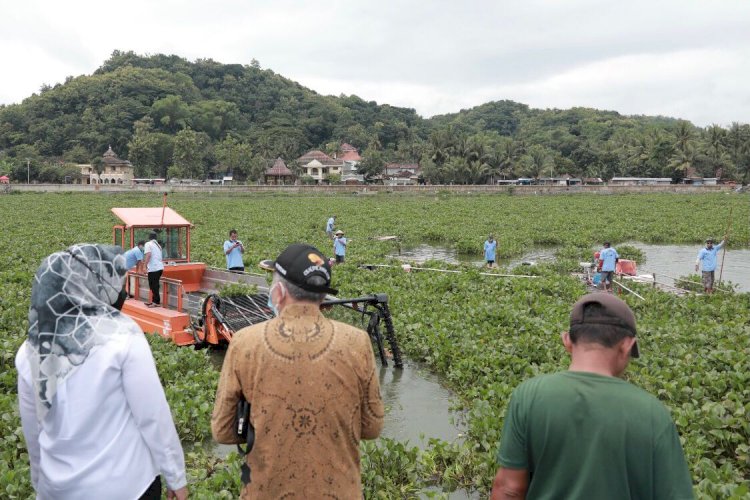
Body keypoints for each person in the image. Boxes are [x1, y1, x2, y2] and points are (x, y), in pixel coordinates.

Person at [16, 244, 187, 500]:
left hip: (59, 490)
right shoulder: (122, 334)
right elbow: (152, 416)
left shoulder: (29, 350)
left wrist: (41, 484)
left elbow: (33, 432)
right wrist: (175, 476)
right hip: (127, 486)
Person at [212, 243, 383, 498]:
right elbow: (372, 428)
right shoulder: (357, 342)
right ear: (323, 296)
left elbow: (223, 431)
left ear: (278, 292)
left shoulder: (245, 342)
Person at [491, 293, 693, 500]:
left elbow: (509, 489)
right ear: (627, 345)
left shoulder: (528, 396)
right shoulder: (652, 412)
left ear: (567, 341)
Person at [143, 231, 164, 308]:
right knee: (154, 285)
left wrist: (144, 266)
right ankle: (153, 301)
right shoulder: (158, 245)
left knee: (153, 285)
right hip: (159, 268)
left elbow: (148, 255)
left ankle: (156, 302)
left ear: (149, 237)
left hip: (154, 268)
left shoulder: (148, 244)